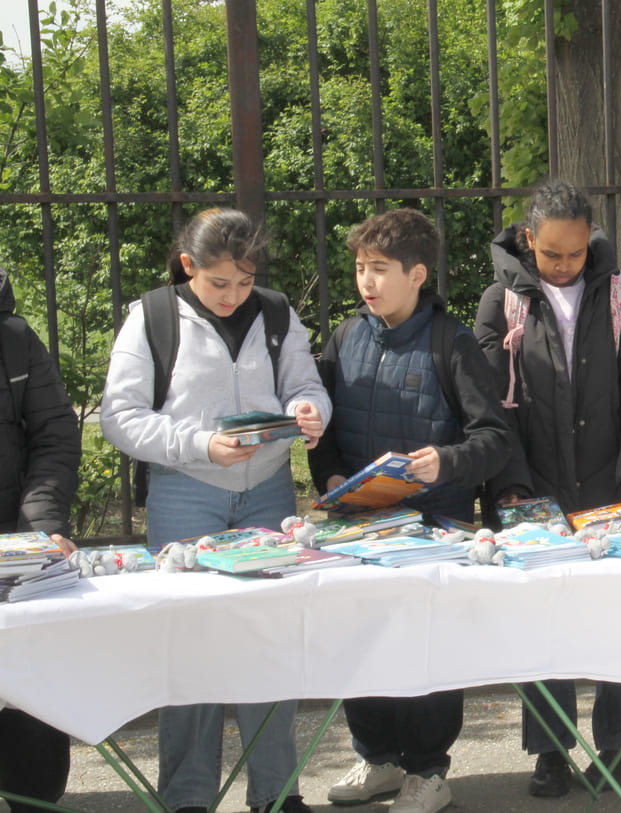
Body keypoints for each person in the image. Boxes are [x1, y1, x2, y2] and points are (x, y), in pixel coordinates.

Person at [100, 208, 330, 813]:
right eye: (218, 283)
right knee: (191, 643)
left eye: (245, 282)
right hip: (184, 490)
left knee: (269, 641)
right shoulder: (151, 317)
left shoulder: (278, 313)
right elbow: (119, 417)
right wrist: (199, 445)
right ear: (187, 267)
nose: (233, 296)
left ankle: (277, 794)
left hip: (268, 489)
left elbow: (306, 386)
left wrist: (311, 413)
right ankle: (188, 797)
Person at [308, 207, 513, 813]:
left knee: (424, 651)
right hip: (360, 529)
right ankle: (378, 760)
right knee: (361, 644)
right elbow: (323, 433)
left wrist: (444, 463)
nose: (366, 282)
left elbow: (495, 440)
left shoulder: (451, 342)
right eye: (359, 269)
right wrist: (334, 476)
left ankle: (428, 771)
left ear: (417, 274)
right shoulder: (343, 337)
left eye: (379, 270)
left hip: (434, 530)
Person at [474, 180, 621, 798]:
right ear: (529, 240)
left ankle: (620, 745)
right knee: (543, 622)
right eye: (552, 253)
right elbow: (487, 406)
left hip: (610, 480)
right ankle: (550, 750)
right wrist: (508, 483)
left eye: (575, 254)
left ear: (591, 243)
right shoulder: (499, 300)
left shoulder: (619, 294)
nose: (563, 266)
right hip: (531, 485)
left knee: (617, 618)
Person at [0, 264, 81, 813]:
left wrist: (41, 529)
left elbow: (54, 435)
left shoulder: (14, 338)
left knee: (29, 691)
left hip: (15, 548)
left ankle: (35, 798)